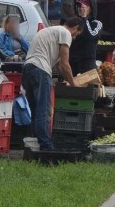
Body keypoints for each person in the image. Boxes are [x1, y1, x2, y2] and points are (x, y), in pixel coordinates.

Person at [23, 17, 82, 151]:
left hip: (27, 69)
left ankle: (34, 144)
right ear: (75, 28)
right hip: (40, 70)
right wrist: (74, 85)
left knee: (36, 110)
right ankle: (47, 147)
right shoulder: (65, 33)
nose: (75, 38)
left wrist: (65, 79)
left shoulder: (50, 31)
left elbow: (59, 66)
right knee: (44, 111)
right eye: (76, 34)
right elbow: (65, 64)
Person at [69, 0, 102, 76]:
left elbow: (90, 36)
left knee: (88, 88)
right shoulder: (73, 22)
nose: (80, 8)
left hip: (88, 63)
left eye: (84, 6)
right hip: (73, 62)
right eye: (79, 6)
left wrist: (84, 19)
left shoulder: (97, 23)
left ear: (91, 8)